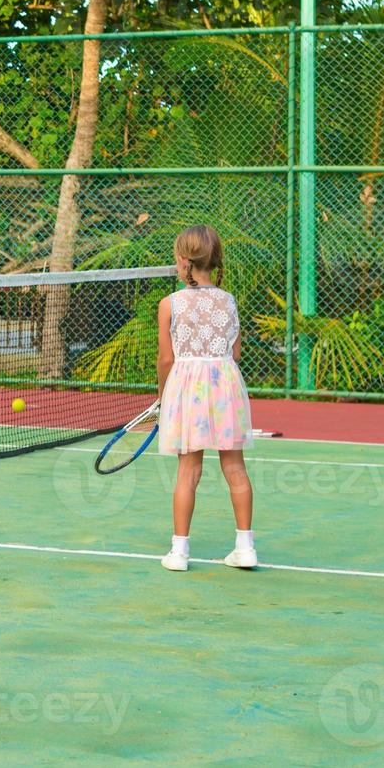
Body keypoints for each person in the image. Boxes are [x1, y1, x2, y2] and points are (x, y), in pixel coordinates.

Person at [155, 225, 255, 572]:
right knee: (235, 467)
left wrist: (163, 396)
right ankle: (245, 547)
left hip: (187, 390)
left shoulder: (169, 304)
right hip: (225, 385)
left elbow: (166, 360)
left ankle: (179, 553)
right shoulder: (229, 301)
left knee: (188, 470)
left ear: (183, 261)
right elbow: (236, 352)